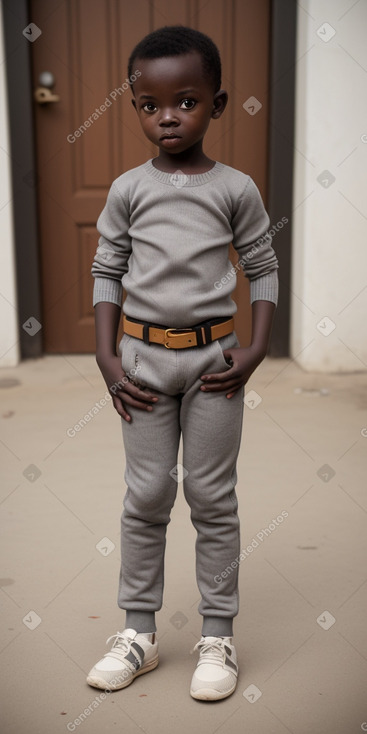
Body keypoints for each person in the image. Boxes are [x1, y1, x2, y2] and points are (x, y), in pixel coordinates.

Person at [87, 25, 278, 701]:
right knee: (145, 496)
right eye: (149, 104)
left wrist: (252, 350)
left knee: (211, 497)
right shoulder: (127, 190)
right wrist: (108, 358)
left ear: (217, 106)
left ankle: (217, 636)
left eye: (187, 101)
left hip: (214, 366)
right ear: (135, 106)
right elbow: (107, 269)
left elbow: (261, 267)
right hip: (140, 365)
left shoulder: (235, 189)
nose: (167, 116)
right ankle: (137, 632)